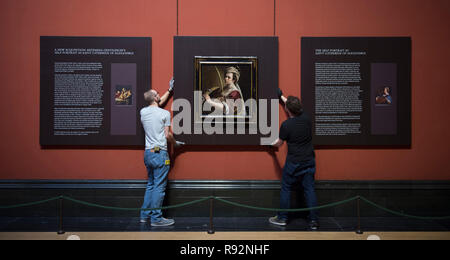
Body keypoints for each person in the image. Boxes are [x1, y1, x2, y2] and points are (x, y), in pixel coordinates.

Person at [269, 89, 319, 230]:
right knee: (309, 190)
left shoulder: (286, 125)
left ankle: (282, 218)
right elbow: (291, 105)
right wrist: (281, 97)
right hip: (309, 160)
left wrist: (269, 144)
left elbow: (279, 143)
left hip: (294, 163)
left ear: (287, 109)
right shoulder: (307, 118)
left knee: (286, 188)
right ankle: (314, 220)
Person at [140, 78, 178, 227]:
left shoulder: (143, 112)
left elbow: (157, 103)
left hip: (148, 153)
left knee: (151, 184)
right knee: (159, 187)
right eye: (157, 94)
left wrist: (169, 91)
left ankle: (144, 216)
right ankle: (156, 218)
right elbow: (168, 135)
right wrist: (176, 143)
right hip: (160, 153)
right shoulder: (165, 114)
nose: (159, 94)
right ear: (155, 98)